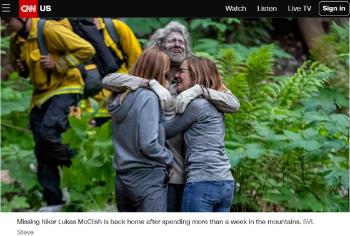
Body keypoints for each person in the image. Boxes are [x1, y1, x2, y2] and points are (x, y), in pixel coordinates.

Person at [102, 21, 239, 212]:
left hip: (194, 174)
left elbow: (233, 103)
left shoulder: (194, 77)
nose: (177, 44)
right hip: (165, 172)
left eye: (181, 41)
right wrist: (150, 83)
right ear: (159, 46)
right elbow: (109, 80)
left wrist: (199, 91)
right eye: (172, 41)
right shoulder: (154, 79)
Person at [6, 18, 95, 211]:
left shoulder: (49, 29)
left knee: (48, 132)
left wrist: (60, 62)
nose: (4, 25)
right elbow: (19, 68)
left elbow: (86, 49)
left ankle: (77, 165)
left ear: (22, 17)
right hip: (39, 96)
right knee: (41, 147)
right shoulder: (16, 41)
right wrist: (22, 70)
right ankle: (54, 200)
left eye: (6, 20)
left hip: (66, 87)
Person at [164, 56, 235, 212]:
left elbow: (166, 131)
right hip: (226, 182)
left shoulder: (197, 105)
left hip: (202, 183)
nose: (176, 75)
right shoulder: (215, 102)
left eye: (181, 71)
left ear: (196, 74)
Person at [106, 47, 173, 212]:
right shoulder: (148, 98)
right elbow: (148, 144)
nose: (168, 79)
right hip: (147, 179)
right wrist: (169, 158)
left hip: (122, 180)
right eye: (165, 74)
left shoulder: (121, 97)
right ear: (158, 73)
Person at [85, 18, 142, 127]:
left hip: (120, 104)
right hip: (88, 110)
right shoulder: (70, 30)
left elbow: (138, 64)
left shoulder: (116, 28)